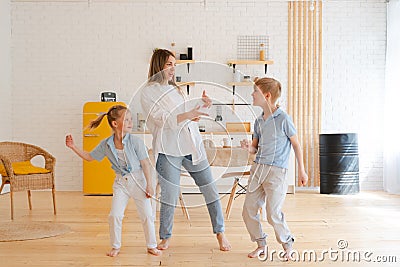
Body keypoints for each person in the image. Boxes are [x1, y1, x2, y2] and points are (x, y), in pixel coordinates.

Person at [140, 49, 231, 251]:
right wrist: (189, 114)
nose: (173, 68)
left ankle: (220, 233)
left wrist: (203, 106)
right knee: (169, 195)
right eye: (169, 64)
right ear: (158, 66)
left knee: (210, 189)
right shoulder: (147, 92)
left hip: (191, 146)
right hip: (168, 149)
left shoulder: (177, 90)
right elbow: (162, 119)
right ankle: (165, 237)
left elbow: (188, 116)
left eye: (174, 64)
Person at [65, 105, 161, 257]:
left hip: (139, 181)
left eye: (131, 119)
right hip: (121, 183)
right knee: (115, 215)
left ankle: (152, 245)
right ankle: (115, 246)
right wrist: (73, 147)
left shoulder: (136, 142)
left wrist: (149, 185)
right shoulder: (106, 144)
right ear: (115, 124)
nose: (131, 122)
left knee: (147, 215)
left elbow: (145, 164)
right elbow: (89, 157)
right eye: (127, 120)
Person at [240, 77, 308, 259]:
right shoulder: (258, 121)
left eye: (255, 91)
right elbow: (255, 148)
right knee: (248, 210)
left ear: (267, 96)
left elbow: (296, 144)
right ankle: (261, 244)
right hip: (258, 170)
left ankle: (287, 245)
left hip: (277, 172)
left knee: (272, 213)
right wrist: (249, 147)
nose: (252, 94)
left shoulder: (284, 119)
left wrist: (302, 169)